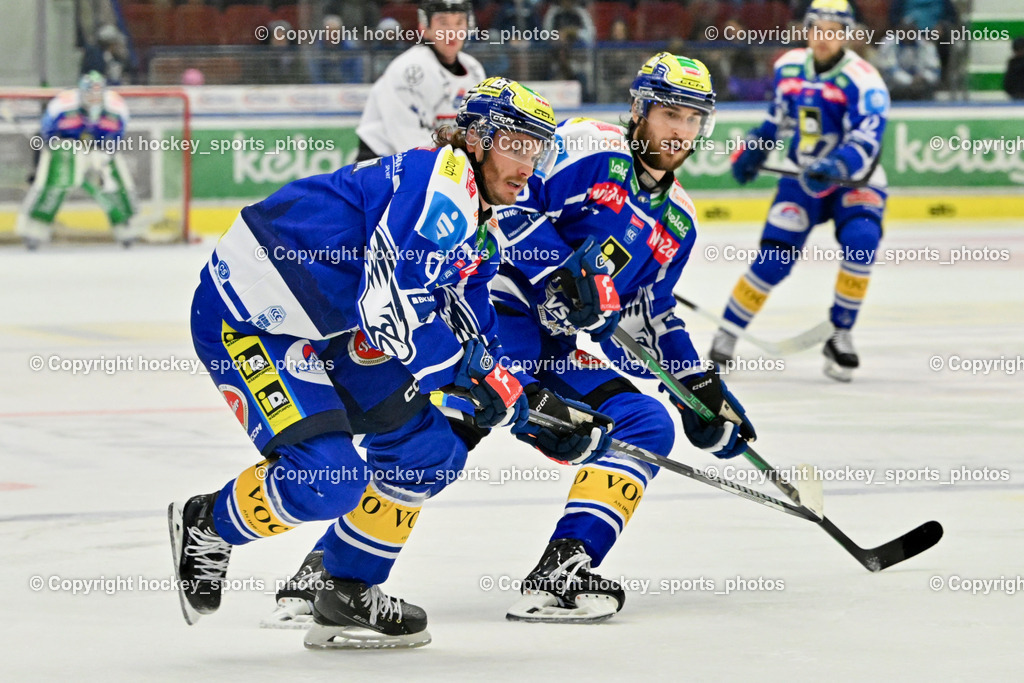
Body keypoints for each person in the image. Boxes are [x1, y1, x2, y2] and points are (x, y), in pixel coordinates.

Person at [168, 77, 613, 649]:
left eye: (538, 149)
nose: (529, 164)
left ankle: (347, 591)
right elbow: (389, 309)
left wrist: (533, 408)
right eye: (516, 144)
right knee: (328, 482)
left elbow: (475, 334)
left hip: (328, 327)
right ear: (476, 139)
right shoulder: (442, 185)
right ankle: (207, 523)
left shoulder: (480, 225)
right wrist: (480, 389)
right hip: (249, 321)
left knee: (430, 451)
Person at [491, 52, 756, 622]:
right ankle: (329, 578)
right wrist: (560, 273)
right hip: (485, 320)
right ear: (640, 109)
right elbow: (507, 204)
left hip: (551, 351)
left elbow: (647, 316)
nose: (681, 131)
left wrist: (697, 388)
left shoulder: (677, 222)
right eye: (670, 114)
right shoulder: (588, 146)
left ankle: (562, 570)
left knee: (647, 422)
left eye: (693, 119)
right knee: (434, 444)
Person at [714, 0, 890, 382]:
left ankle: (840, 333)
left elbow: (868, 137)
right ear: (807, 30)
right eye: (818, 29)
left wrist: (838, 166)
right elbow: (776, 121)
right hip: (802, 178)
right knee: (772, 259)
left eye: (834, 30)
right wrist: (755, 150)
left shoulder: (864, 79)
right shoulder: (788, 67)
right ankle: (726, 333)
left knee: (861, 241)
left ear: (846, 35)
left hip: (853, 181)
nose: (824, 38)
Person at [15, 71, 140, 249]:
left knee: (114, 179)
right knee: (56, 182)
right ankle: (34, 228)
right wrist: (39, 167)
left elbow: (116, 139)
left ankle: (126, 226)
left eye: (98, 94)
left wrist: (103, 156)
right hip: (66, 149)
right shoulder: (62, 106)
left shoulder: (116, 108)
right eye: (89, 93)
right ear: (81, 92)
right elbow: (45, 137)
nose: (93, 98)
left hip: (98, 150)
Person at [356, 0, 485, 161]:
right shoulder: (407, 71)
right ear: (424, 28)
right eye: (443, 23)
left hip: (438, 163)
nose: (452, 31)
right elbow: (413, 149)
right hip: (381, 165)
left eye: (459, 22)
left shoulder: (474, 70)